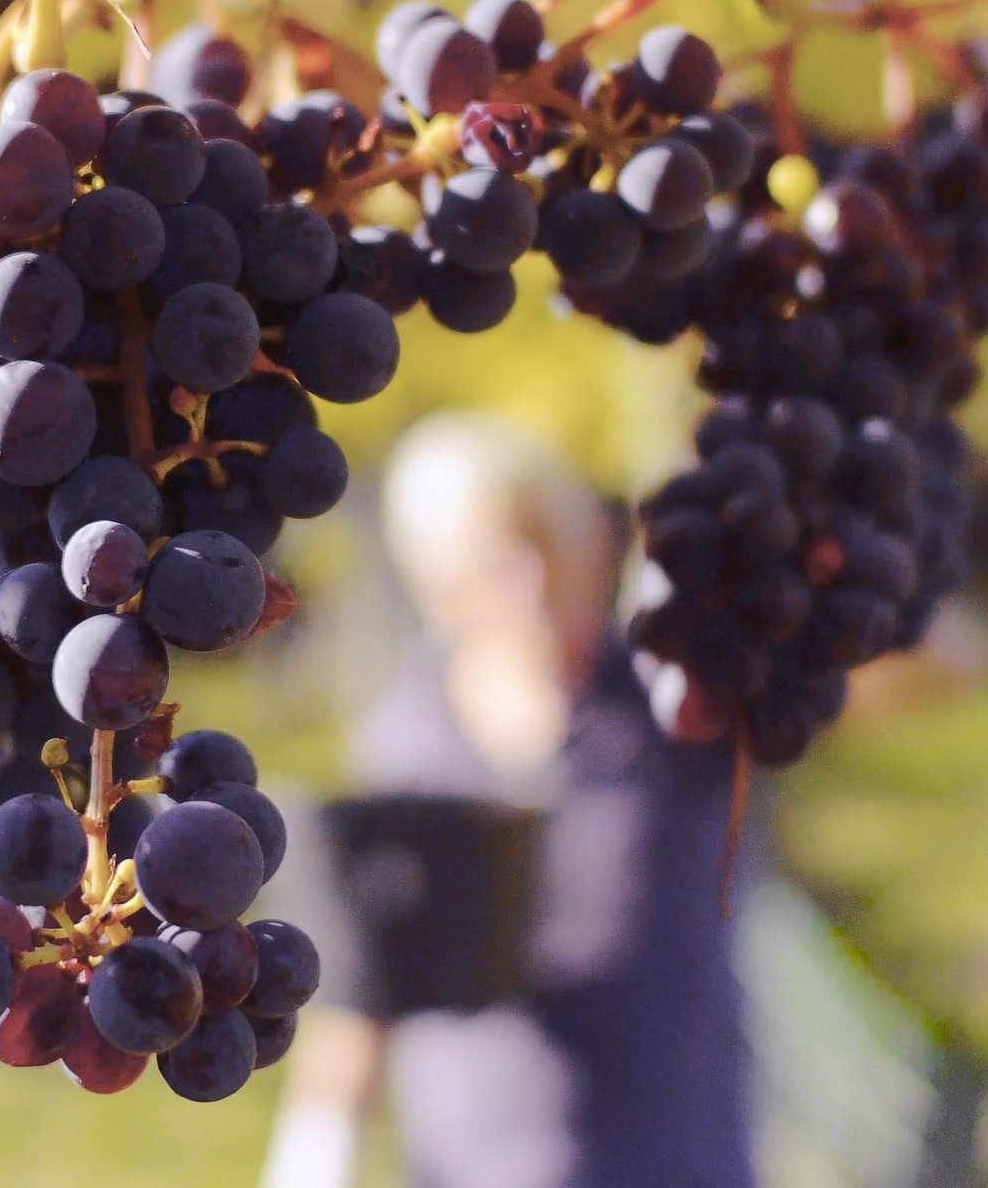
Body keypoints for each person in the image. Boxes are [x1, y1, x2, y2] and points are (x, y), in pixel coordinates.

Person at [260, 413, 756, 1188]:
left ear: (594, 548)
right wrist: (312, 1159)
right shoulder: (410, 742)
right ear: (438, 586)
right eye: (495, 562)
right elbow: (366, 977)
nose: (529, 584)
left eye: (545, 546)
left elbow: (926, 668)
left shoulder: (679, 703)